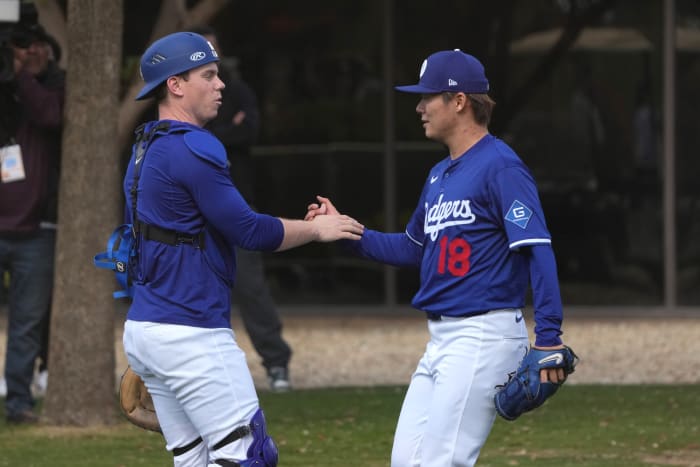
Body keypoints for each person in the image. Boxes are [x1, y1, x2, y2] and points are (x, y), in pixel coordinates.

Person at [306, 49, 569, 467]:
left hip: (483, 334)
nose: (419, 106)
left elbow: (537, 248)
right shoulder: (440, 175)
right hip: (442, 340)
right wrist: (348, 233)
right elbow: (414, 249)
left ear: (459, 101)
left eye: (428, 96)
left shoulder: (501, 166)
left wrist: (550, 336)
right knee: (406, 461)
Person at [121, 31, 363, 466]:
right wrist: (318, 231)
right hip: (190, 331)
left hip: (148, 328)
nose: (221, 85)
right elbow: (250, 231)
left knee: (193, 458)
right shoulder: (194, 147)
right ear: (175, 85)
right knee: (248, 456)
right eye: (209, 75)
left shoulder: (146, 145)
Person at [191, 25, 292, 392]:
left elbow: (248, 131)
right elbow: (196, 142)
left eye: (211, 52)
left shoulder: (237, 91)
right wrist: (220, 135)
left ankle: (276, 362)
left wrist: (213, 135)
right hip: (196, 211)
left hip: (237, 203)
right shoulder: (182, 103)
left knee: (250, 286)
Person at [0, 23, 64, 424]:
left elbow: (51, 116)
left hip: (35, 232)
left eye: (37, 45)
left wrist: (25, 73)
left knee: (27, 323)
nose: (29, 51)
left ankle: (19, 403)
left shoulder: (54, 88)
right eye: (20, 46)